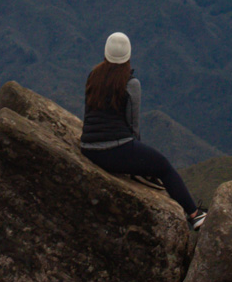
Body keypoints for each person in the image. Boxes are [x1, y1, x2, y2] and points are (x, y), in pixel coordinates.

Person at [79, 31, 207, 230]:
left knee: (156, 165)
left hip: (88, 148)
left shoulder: (93, 76)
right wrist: (138, 158)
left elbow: (88, 112)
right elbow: (133, 125)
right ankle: (195, 215)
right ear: (128, 56)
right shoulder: (131, 83)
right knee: (164, 167)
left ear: (105, 53)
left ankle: (194, 214)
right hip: (114, 150)